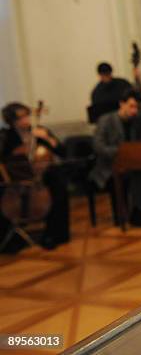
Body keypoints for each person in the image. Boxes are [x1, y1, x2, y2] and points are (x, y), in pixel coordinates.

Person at [0, 102, 70, 250]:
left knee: (58, 183)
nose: (26, 120)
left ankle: (55, 234)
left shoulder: (40, 131)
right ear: (12, 122)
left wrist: (49, 139)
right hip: (16, 180)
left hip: (41, 178)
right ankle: (8, 237)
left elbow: (62, 152)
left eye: (27, 116)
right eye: (21, 118)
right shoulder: (6, 136)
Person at [90, 89, 141, 226]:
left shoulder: (136, 121)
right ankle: (136, 212)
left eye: (136, 107)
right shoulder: (106, 120)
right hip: (108, 167)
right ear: (121, 104)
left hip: (129, 163)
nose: (134, 110)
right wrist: (121, 152)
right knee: (136, 175)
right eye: (131, 106)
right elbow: (98, 146)